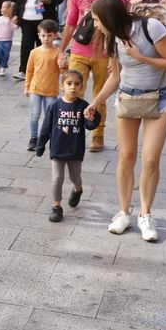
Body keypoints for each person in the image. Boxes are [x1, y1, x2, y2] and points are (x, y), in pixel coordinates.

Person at [84, 0, 166, 241]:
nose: (94, 25)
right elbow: (116, 76)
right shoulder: (111, 38)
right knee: (126, 156)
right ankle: (124, 212)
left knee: (150, 159)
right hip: (127, 97)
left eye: (96, 20)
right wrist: (97, 102)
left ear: (109, 17)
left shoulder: (151, 27)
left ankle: (145, 215)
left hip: (160, 97)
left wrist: (141, 58)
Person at [57, 0, 126, 152]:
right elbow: (71, 22)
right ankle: (71, 130)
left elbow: (120, 25)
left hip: (104, 54)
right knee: (72, 91)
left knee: (99, 95)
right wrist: (62, 49)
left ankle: (98, 134)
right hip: (79, 50)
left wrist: (118, 56)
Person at [35, 69, 101, 222]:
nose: (73, 87)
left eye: (76, 84)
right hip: (57, 150)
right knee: (57, 179)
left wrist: (94, 116)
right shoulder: (55, 106)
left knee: (75, 177)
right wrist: (40, 145)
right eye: (69, 83)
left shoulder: (83, 106)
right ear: (62, 86)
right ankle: (56, 207)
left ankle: (78, 190)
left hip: (75, 151)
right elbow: (46, 127)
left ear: (81, 87)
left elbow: (90, 125)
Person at [12, 0, 63, 80]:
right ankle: (24, 70)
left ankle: (43, 69)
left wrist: (48, 1)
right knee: (26, 45)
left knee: (43, 44)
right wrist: (16, 14)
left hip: (43, 19)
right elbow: (20, 0)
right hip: (26, 18)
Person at [24, 19, 62, 151]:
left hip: (51, 90)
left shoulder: (57, 52)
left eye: (49, 35)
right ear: (39, 35)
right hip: (36, 88)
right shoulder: (34, 52)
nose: (46, 38)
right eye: (43, 35)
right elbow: (29, 71)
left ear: (55, 35)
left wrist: (64, 65)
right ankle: (34, 137)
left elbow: (63, 71)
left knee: (49, 115)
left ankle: (47, 136)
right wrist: (27, 87)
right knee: (35, 113)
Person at [0, 1, 18, 76]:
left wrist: (14, 22)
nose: (1, 9)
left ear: (8, 9)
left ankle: (3, 67)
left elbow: (15, 28)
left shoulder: (11, 19)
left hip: (8, 41)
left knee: (6, 54)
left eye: (3, 7)